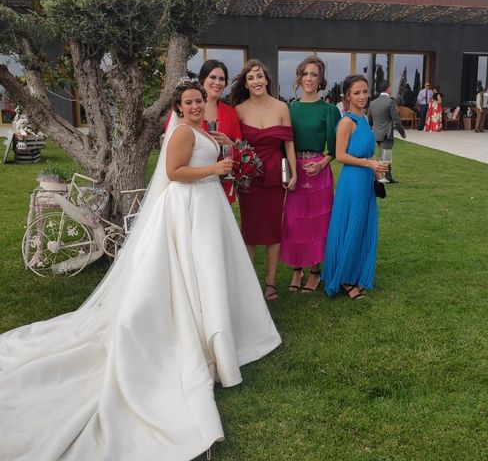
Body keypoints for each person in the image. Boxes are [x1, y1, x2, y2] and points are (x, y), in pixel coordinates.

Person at [0, 80, 282, 459]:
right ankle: (197, 330)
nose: (196, 106)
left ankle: (219, 327)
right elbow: (175, 171)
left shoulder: (202, 129)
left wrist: (223, 147)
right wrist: (215, 165)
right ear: (179, 108)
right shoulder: (183, 132)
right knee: (190, 270)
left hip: (208, 206)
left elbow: (211, 148)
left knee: (212, 272)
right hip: (188, 209)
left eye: (200, 100)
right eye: (189, 102)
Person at [229, 59, 297, 302]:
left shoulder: (281, 107)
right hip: (249, 180)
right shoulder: (239, 110)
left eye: (259, 76)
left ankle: (270, 283)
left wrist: (293, 172)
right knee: (249, 230)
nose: (256, 81)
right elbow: (235, 144)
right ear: (246, 84)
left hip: (274, 176)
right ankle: (248, 284)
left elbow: (289, 142)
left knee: (272, 230)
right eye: (251, 78)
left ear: (266, 79)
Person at [322, 74, 387, 300]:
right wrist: (368, 163)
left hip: (366, 180)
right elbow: (339, 155)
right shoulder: (347, 121)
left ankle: (355, 272)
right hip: (352, 181)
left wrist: (377, 170)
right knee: (351, 225)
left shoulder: (364, 120)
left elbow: (368, 152)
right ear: (347, 96)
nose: (362, 96)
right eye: (357, 92)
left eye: (365, 92)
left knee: (362, 227)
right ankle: (345, 279)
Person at [281, 56, 341, 294]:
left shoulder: (328, 110)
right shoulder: (290, 108)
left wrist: (322, 162)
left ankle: (315, 271)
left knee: (317, 223)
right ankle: (297, 269)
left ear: (320, 79)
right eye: (305, 74)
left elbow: (336, 147)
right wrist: (288, 171)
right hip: (296, 169)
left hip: (318, 171)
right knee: (294, 221)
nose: (309, 79)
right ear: (299, 77)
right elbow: (283, 144)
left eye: (314, 74)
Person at [165, 59, 240, 203]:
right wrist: (213, 169)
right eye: (213, 77)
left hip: (217, 186)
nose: (217, 82)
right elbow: (174, 161)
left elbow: (239, 148)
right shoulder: (181, 122)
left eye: (222, 79)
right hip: (191, 192)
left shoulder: (230, 113)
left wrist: (229, 143)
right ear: (202, 79)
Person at [368, 79, 406, 183]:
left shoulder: (372, 103)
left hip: (376, 132)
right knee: (385, 156)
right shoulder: (390, 101)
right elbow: (396, 120)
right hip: (386, 133)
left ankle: (388, 176)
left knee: (385, 155)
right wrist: (402, 133)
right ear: (388, 88)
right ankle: (380, 178)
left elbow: (369, 118)